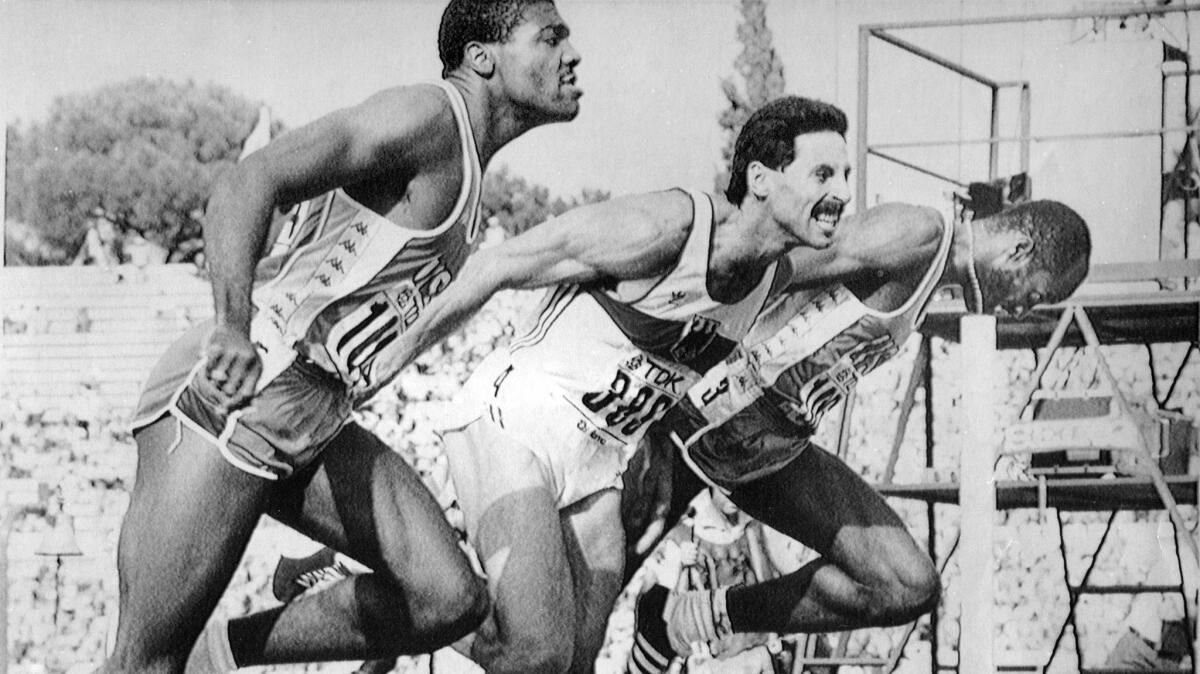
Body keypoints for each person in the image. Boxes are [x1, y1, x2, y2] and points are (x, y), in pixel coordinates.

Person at [98, 1, 583, 672]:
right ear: (483, 56)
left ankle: (222, 656)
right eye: (550, 37)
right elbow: (250, 178)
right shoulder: (428, 117)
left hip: (313, 414)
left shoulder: (472, 176)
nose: (572, 54)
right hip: (237, 393)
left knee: (449, 599)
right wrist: (231, 326)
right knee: (145, 664)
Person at [357, 94, 853, 673]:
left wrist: (662, 444)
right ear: (761, 179)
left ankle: (406, 597)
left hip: (599, 460)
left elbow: (669, 355)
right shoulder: (667, 227)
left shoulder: (771, 276)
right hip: (519, 421)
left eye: (846, 175)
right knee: (534, 656)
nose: (842, 192)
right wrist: (388, 356)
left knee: (573, 665)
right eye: (823, 173)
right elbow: (497, 264)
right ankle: (377, 583)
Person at [619, 196, 1092, 658]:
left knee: (907, 585)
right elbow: (766, 265)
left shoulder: (932, 280)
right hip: (695, 419)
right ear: (1018, 250)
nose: (1019, 311)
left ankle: (683, 621)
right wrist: (664, 387)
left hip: (765, 451)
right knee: (586, 598)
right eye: (1033, 296)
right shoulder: (918, 234)